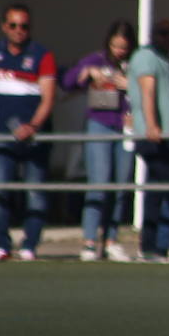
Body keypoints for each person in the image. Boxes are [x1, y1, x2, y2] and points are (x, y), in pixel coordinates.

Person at [0, 4, 57, 261]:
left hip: (35, 137)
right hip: (4, 135)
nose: (19, 31)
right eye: (13, 25)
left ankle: (30, 245)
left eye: (24, 26)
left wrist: (33, 126)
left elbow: (48, 98)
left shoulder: (41, 55)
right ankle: (1, 244)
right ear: (4, 26)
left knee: (34, 193)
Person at [62, 20, 137, 261]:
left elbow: (149, 90)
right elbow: (68, 81)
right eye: (116, 46)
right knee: (99, 181)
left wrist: (130, 85)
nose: (119, 51)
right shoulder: (96, 59)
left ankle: (112, 238)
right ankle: (90, 240)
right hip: (100, 124)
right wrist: (87, 73)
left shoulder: (135, 64)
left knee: (121, 183)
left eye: (124, 47)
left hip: (126, 128)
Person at [128, 19, 169, 263]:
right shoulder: (147, 56)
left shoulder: (164, 59)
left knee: (156, 191)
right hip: (158, 137)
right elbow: (147, 91)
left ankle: (154, 247)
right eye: (164, 33)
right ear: (154, 35)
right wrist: (152, 125)